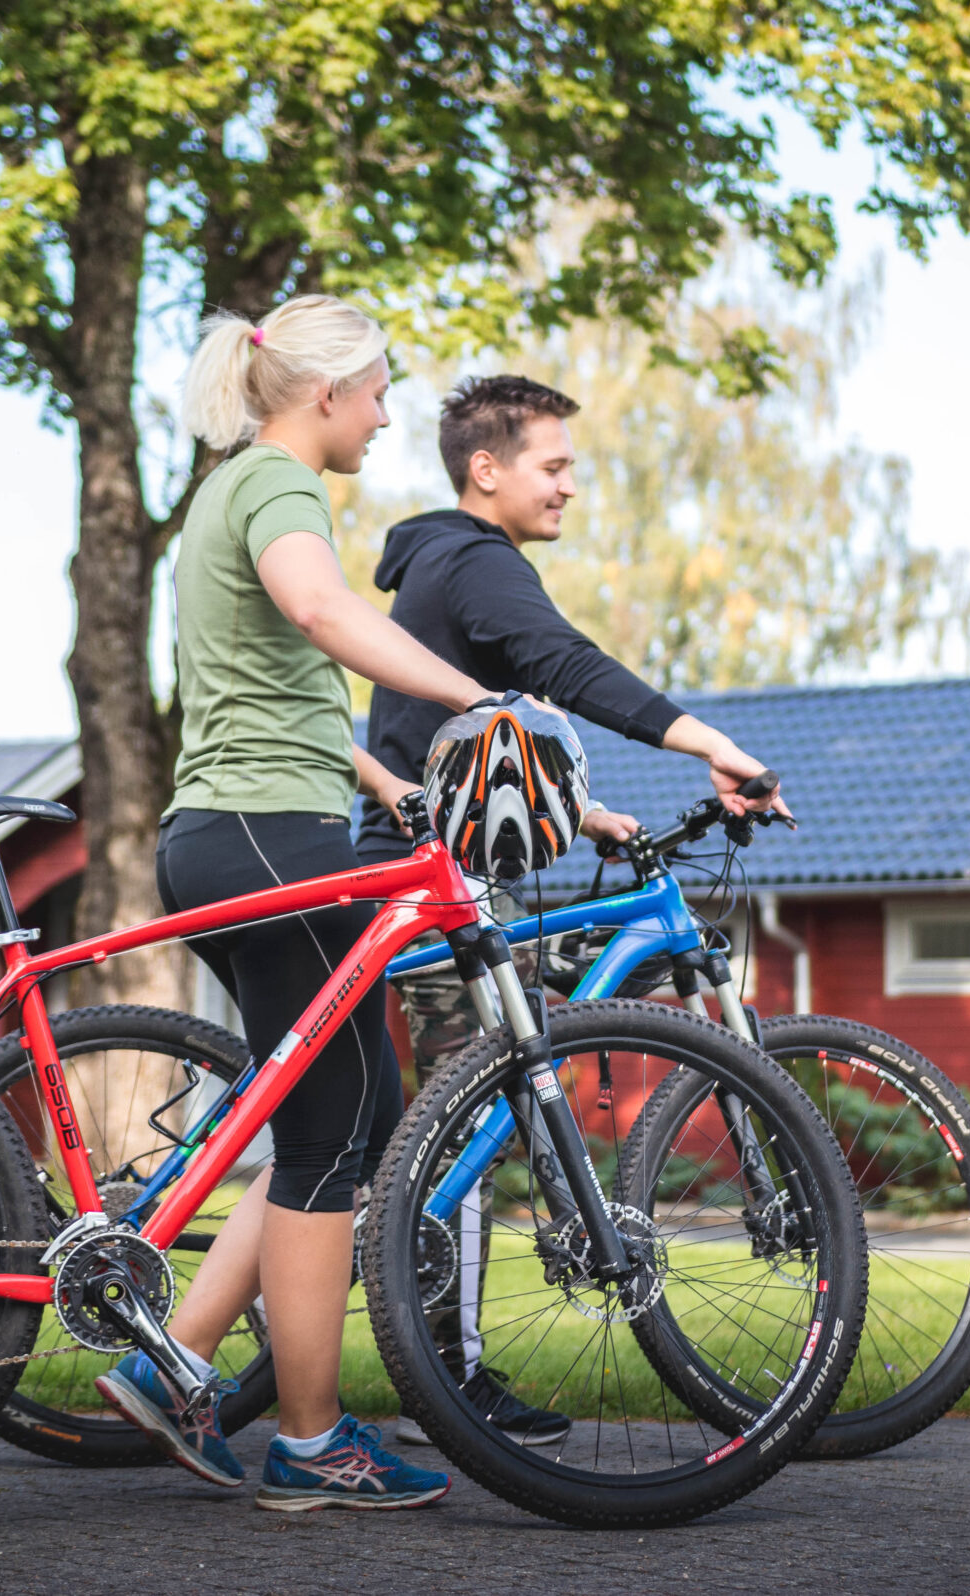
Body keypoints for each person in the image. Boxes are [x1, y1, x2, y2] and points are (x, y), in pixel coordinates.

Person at [354, 374, 790, 1445]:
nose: (571, 489)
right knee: (462, 1121)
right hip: (428, 876)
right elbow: (567, 668)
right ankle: (443, 1382)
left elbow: (471, 738)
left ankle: (392, 1330)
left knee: (444, 1116)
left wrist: (583, 812)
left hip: (441, 863)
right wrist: (708, 743)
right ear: (486, 469)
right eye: (554, 467)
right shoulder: (472, 560)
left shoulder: (443, 566)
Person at [93, 294, 476, 1512]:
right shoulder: (280, 487)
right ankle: (312, 1444)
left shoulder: (226, 487)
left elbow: (275, 682)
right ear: (325, 395)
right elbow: (322, 613)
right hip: (270, 844)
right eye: (377, 393)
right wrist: (483, 704)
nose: (383, 416)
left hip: (240, 830)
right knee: (327, 1140)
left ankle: (176, 1362)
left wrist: (386, 778)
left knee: (346, 1119)